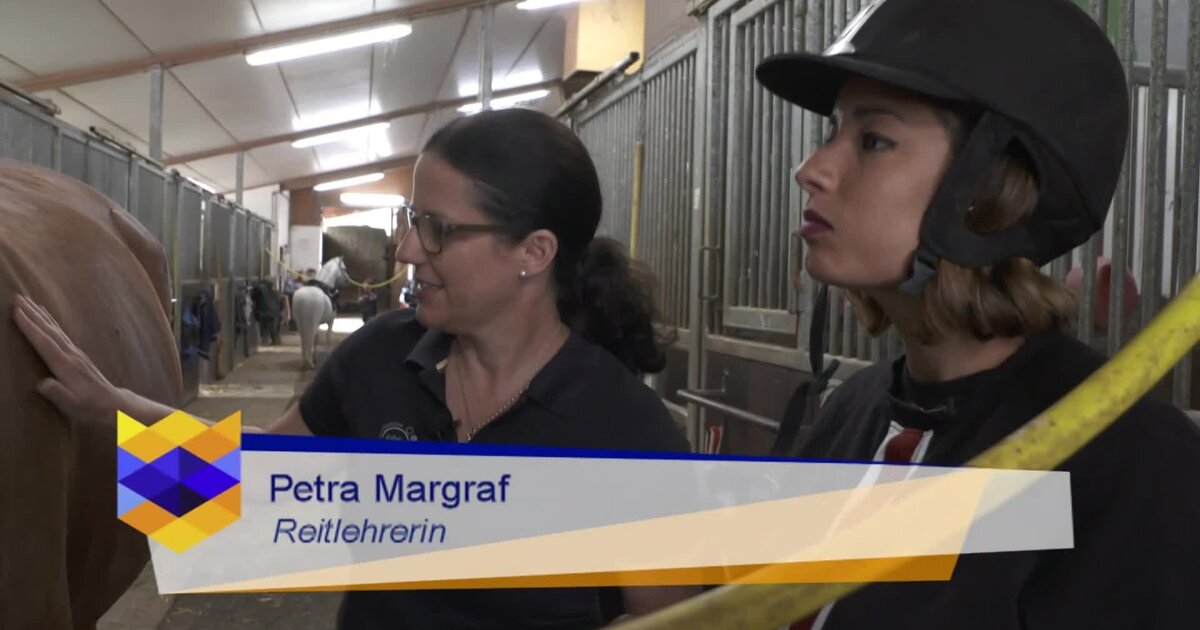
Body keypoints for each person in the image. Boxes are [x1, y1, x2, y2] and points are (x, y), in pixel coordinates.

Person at [12, 108, 699, 629]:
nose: (406, 249)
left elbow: (672, 620)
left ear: (534, 252)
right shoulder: (383, 359)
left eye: (438, 228)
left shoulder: (626, 431)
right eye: (411, 220)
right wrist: (115, 414)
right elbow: (250, 494)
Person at [754, 0, 1200, 627]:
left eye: (875, 140)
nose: (811, 170)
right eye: (833, 132)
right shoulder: (854, 409)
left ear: (992, 190)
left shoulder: (1124, 460)